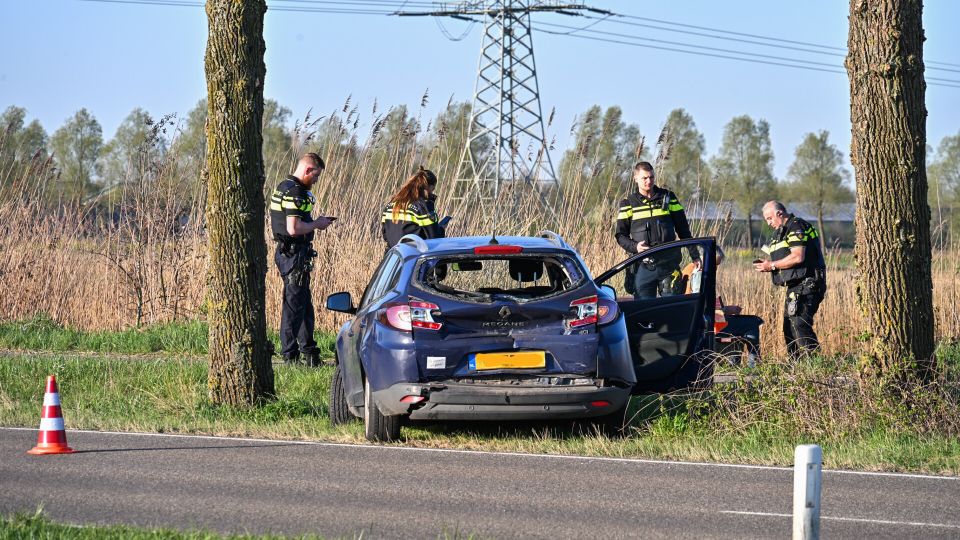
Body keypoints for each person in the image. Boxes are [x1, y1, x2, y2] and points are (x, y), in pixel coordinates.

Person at [269, 153, 334, 366]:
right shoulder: (295, 192)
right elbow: (293, 228)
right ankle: (290, 355)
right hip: (294, 254)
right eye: (315, 176)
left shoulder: (284, 186)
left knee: (304, 304)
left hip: (292, 252)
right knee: (293, 305)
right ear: (307, 170)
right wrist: (317, 224)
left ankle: (309, 351)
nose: (316, 181)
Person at [753, 201, 827, 360]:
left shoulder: (796, 227)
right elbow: (784, 255)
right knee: (788, 328)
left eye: (769, 218)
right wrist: (767, 263)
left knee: (799, 324)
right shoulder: (782, 231)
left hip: (808, 284)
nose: (768, 223)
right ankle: (797, 368)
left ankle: (814, 366)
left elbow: (797, 256)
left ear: (780, 213)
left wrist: (771, 266)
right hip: (795, 287)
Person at [614, 161, 695, 299]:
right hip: (643, 266)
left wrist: (695, 256)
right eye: (644, 178)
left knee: (671, 308)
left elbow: (683, 230)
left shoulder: (669, 198)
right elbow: (620, 235)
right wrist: (635, 247)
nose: (648, 181)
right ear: (636, 179)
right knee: (645, 312)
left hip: (669, 265)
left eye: (651, 177)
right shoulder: (628, 203)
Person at [382, 167, 445, 248]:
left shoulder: (391, 205)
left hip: (393, 257)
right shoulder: (423, 206)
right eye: (432, 189)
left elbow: (385, 235)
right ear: (427, 188)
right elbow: (434, 238)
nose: (432, 193)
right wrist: (441, 229)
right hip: (413, 256)